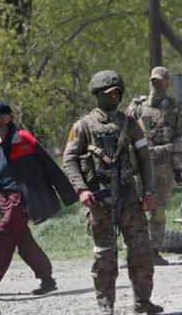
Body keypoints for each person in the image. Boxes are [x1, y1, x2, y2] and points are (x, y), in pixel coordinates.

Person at [63, 70, 163, 315]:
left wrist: (148, 192)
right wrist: (82, 189)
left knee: (141, 253)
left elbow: (144, 159)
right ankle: (105, 305)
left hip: (130, 200)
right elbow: (70, 159)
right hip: (99, 202)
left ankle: (142, 302)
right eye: (109, 93)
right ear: (98, 94)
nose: (115, 97)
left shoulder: (130, 124)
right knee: (105, 257)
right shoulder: (83, 125)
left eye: (118, 92)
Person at [0, 102, 77, 299]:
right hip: (2, 197)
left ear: (7, 118)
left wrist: (68, 191)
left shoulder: (23, 139)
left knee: (2, 236)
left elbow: (48, 164)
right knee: (23, 241)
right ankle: (47, 279)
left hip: (20, 198)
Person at [125, 66, 182, 266]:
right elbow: (124, 134)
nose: (155, 85)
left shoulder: (175, 109)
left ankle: (154, 251)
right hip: (137, 167)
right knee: (133, 209)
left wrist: (164, 149)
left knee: (157, 210)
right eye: (153, 81)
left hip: (162, 168)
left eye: (160, 81)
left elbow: (180, 139)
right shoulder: (136, 106)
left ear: (167, 83)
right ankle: (133, 252)